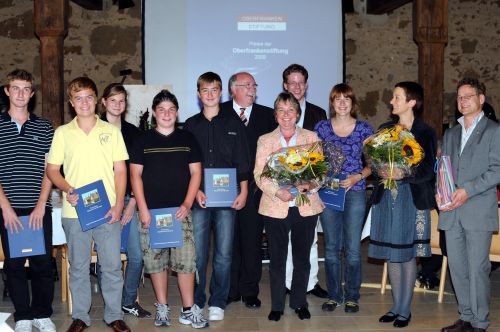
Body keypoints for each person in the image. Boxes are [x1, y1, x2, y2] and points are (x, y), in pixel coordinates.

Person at [46, 77, 131, 332]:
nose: (84, 102)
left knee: (112, 265)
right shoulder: (62, 133)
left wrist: (117, 205)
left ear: (97, 100)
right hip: (75, 211)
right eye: (78, 98)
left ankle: (114, 315)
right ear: (72, 103)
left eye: (89, 97)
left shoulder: (111, 131)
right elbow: (52, 170)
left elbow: (120, 171)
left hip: (107, 210)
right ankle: (80, 316)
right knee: (79, 266)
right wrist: (67, 189)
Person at [129, 89, 208, 328]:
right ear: (154, 113)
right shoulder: (142, 140)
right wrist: (142, 209)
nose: (166, 114)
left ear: (177, 113)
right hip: (151, 214)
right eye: (161, 109)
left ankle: (188, 309)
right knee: (156, 262)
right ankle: (162, 308)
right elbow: (135, 176)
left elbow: (196, 173)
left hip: (180, 213)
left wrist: (187, 202)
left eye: (171, 109)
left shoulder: (188, 139)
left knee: (186, 262)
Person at [368, 81, 436, 328]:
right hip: (387, 197)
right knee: (392, 255)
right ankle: (396, 306)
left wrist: (403, 175)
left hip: (411, 196)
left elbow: (429, 170)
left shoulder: (425, 131)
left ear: (411, 102)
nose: (391, 101)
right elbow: (373, 163)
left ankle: (405, 310)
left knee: (406, 255)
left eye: (397, 97)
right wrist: (382, 170)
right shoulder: (386, 128)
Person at [183, 72, 250, 321]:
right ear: (199, 94)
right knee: (198, 254)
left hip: (228, 199)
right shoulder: (190, 125)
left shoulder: (234, 123)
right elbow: (186, 165)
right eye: (205, 91)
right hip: (199, 199)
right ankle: (198, 300)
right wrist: (196, 190)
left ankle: (218, 301)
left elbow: (243, 160)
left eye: (214, 90)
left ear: (221, 93)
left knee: (223, 254)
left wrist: (243, 191)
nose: (210, 95)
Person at [254, 92, 324, 322]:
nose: (286, 115)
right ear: (275, 115)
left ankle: (299, 302)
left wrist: (309, 184)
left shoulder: (311, 137)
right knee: (278, 258)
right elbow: (259, 175)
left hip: (305, 206)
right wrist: (278, 191)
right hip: (276, 206)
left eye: (290, 110)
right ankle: (276, 305)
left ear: (297, 114)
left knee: (302, 257)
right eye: (281, 111)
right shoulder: (265, 140)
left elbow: (321, 173)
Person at [439, 78, 500, 332]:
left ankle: (479, 322)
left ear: (481, 99)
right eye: (459, 97)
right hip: (452, 211)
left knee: (477, 268)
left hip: (477, 209)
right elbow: (443, 167)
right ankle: (465, 316)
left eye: (468, 96)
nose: (462, 101)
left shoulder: (494, 131)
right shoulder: (451, 133)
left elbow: (497, 170)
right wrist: (440, 192)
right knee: (458, 267)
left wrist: (468, 190)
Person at [0, 69, 56, 332]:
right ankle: (22, 315)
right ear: (7, 91)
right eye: (16, 88)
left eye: (26, 89)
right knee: (13, 264)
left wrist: (40, 206)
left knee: (43, 262)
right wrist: (6, 208)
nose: (21, 93)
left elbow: (50, 169)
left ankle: (42, 313)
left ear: (32, 94)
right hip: (6, 208)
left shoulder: (44, 127)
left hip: (38, 208)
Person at [314, 83, 374, 313]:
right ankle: (334, 295)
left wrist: (357, 176)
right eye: (337, 98)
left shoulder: (364, 129)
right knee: (330, 247)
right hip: (329, 192)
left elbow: (373, 165)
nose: (341, 103)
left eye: (346, 99)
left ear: (352, 103)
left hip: (355, 191)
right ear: (332, 102)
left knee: (352, 248)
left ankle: (351, 296)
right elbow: (315, 161)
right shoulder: (321, 128)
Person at [223, 72, 276, 309]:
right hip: (223, 188)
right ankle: (230, 289)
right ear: (233, 89)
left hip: (255, 190)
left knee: (252, 240)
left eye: (254, 84)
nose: (252, 89)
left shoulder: (267, 115)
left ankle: (250, 291)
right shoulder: (221, 113)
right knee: (227, 242)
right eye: (247, 85)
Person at [100, 83, 151, 318]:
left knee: (136, 255)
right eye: (113, 101)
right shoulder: (92, 130)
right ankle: (111, 303)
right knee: (107, 258)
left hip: (130, 203)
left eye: (122, 101)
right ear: (103, 102)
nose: (118, 105)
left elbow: (140, 172)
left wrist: (131, 202)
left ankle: (128, 300)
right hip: (102, 205)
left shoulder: (134, 134)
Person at [282, 63, 328, 298]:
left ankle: (311, 282)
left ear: (307, 85)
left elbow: (323, 152)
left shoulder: (318, 114)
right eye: (292, 82)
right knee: (289, 238)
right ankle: (290, 283)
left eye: (301, 82)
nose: (297, 87)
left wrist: (313, 180)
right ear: (285, 85)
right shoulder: (278, 112)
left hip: (310, 186)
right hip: (285, 187)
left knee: (310, 239)